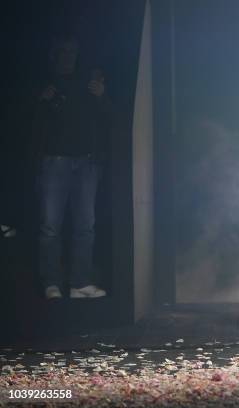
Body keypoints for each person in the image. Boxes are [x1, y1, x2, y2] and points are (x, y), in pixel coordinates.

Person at [30, 34, 112, 299]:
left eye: (73, 52)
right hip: (55, 162)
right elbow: (27, 122)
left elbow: (108, 117)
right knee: (50, 226)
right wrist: (40, 100)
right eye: (64, 52)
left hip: (86, 162)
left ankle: (79, 283)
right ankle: (51, 283)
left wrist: (101, 96)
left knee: (85, 225)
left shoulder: (87, 83)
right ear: (55, 54)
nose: (69, 57)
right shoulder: (44, 84)